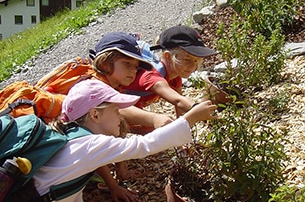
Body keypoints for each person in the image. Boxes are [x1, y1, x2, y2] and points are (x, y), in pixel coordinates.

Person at [31, 79, 217, 202]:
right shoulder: (91, 144)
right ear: (95, 115)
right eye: (115, 111)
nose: (121, 118)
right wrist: (191, 118)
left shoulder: (74, 138)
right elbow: (144, 145)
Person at [123, 25, 217, 118]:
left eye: (196, 60)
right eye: (187, 60)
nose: (192, 66)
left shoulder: (175, 78)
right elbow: (178, 100)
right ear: (168, 56)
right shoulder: (152, 77)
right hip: (118, 108)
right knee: (163, 124)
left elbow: (180, 107)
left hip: (131, 108)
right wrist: (199, 110)